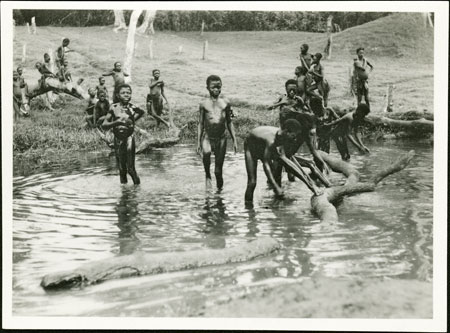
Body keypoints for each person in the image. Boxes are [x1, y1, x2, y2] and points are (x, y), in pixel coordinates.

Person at [243, 119, 323, 203]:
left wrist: (311, 185)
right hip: (251, 147)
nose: (295, 139)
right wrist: (275, 187)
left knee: (276, 175)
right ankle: (249, 209)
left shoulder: (283, 137)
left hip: (263, 146)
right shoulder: (271, 141)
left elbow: (290, 163)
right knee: (252, 182)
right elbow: (266, 164)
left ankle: (277, 205)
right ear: (287, 132)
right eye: (293, 136)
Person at [197, 75, 238, 190]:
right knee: (206, 155)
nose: (216, 89)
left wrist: (234, 140)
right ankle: (207, 175)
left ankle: (219, 195)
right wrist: (198, 142)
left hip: (221, 138)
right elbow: (200, 123)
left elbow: (229, 122)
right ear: (207, 88)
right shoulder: (203, 104)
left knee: (218, 171)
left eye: (218, 87)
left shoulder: (225, 103)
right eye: (213, 87)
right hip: (207, 138)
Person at [102, 84, 145, 185]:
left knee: (131, 169)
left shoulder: (133, 108)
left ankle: (137, 190)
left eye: (128, 93)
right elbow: (104, 125)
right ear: (118, 95)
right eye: (123, 93)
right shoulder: (114, 107)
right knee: (122, 170)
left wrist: (132, 120)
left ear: (131, 95)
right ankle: (124, 193)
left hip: (129, 139)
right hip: (118, 139)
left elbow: (142, 112)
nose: (126, 95)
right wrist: (117, 122)